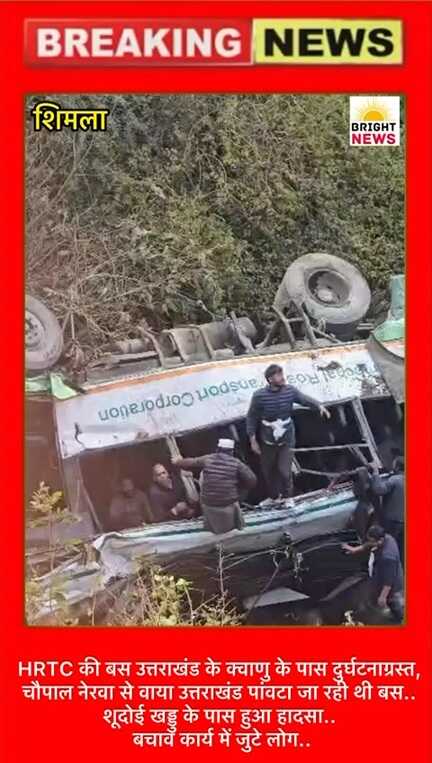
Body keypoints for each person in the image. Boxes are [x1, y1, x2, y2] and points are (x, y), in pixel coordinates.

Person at [246, 363, 330, 499]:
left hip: (287, 438)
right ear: (270, 379)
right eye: (278, 375)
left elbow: (304, 399)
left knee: (284, 471)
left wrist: (319, 406)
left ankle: (288, 497)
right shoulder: (259, 396)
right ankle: (274, 497)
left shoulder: (290, 391)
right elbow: (251, 417)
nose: (282, 377)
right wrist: (252, 440)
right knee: (269, 471)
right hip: (268, 440)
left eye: (282, 374)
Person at [171, 439, 257, 534]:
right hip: (228, 501)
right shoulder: (236, 463)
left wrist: (177, 462)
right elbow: (252, 480)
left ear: (218, 449)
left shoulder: (209, 458)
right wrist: (239, 489)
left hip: (208, 503)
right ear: (231, 452)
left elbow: (191, 462)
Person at [342, 524, 404, 623]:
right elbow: (370, 543)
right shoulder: (387, 537)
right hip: (381, 574)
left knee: (392, 601)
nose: (370, 543)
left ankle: (399, 618)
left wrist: (383, 597)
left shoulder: (388, 557)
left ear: (380, 540)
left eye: (372, 541)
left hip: (391, 583)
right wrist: (355, 549)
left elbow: (389, 580)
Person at [369, 457, 405, 566]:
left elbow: (379, 490)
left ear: (397, 467)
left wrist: (375, 473)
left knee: (389, 547)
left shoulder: (395, 479)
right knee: (402, 550)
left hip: (392, 521)